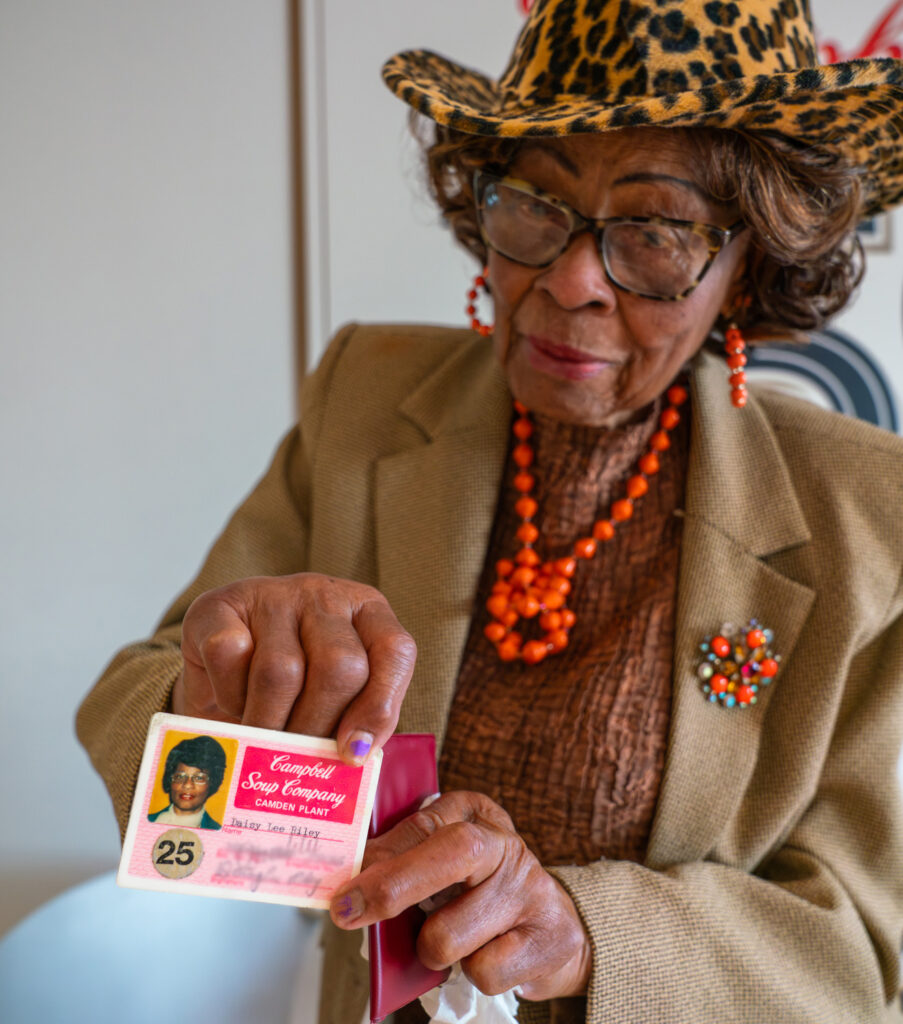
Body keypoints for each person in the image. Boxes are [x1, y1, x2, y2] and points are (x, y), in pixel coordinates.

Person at [77, 1, 903, 1021]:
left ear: (748, 269)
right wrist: (213, 701)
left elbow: (854, 958)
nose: (568, 279)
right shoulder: (366, 402)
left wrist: (583, 930)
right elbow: (129, 699)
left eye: (652, 234)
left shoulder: (864, 516)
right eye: (534, 206)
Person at [147, 734, 227, 830]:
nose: (187, 785)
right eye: (180, 776)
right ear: (170, 779)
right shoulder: (147, 821)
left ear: (212, 782)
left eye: (199, 778)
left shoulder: (217, 832)